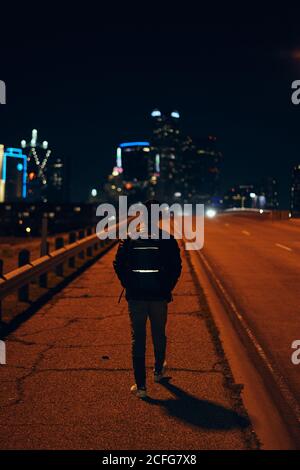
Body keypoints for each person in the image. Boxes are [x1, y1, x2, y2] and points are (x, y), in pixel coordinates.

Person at [113, 200, 182, 398]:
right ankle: (158, 372)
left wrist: (130, 284)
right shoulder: (167, 239)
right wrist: (166, 288)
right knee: (159, 334)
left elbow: (118, 264)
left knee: (138, 339)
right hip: (159, 297)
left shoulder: (130, 238)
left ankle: (141, 386)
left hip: (136, 297)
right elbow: (176, 267)